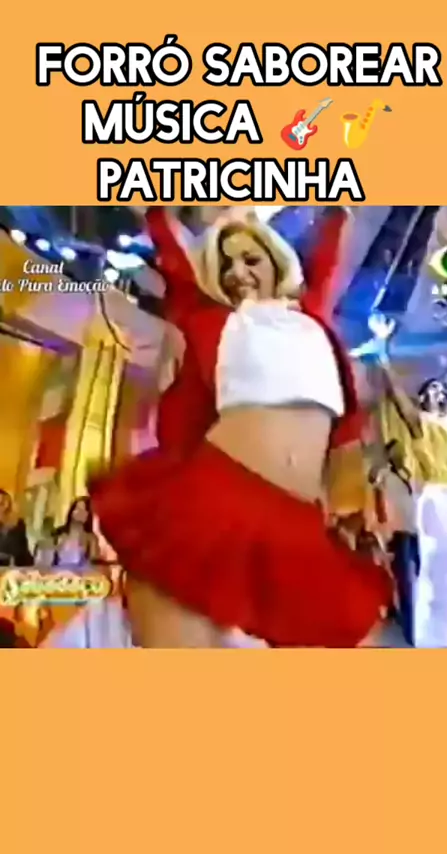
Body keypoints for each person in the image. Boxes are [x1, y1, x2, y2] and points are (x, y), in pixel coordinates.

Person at [87, 206, 392, 648]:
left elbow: (328, 260)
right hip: (217, 497)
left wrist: (338, 214)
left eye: (251, 259)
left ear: (276, 262)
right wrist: (156, 212)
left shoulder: (312, 320)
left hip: (297, 520)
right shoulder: (213, 318)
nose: (237, 273)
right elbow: (174, 258)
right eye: (226, 263)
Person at [373, 303, 447, 647]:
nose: (436, 392)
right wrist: (383, 351)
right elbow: (396, 394)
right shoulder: (420, 424)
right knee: (438, 569)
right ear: (422, 399)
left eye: (439, 388)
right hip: (438, 497)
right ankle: (437, 644)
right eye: (429, 390)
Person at [369, 440, 418, 645]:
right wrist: (384, 532)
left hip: (415, 531)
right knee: (405, 583)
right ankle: (409, 630)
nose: (400, 455)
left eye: (401, 451)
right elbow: (374, 487)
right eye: (396, 452)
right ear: (389, 456)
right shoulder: (385, 476)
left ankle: (414, 623)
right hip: (399, 533)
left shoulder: (407, 474)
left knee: (417, 581)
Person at [34, 497, 100, 570]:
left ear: (89, 515)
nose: (80, 512)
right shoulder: (58, 533)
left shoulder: (91, 538)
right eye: (77, 509)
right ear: (71, 512)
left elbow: (94, 564)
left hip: (82, 575)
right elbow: (45, 556)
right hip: (57, 573)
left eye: (84, 510)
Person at [0, 489, 33, 567]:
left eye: (2, 503)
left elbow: (17, 551)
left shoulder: (18, 523)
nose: (4, 506)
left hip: (20, 566)